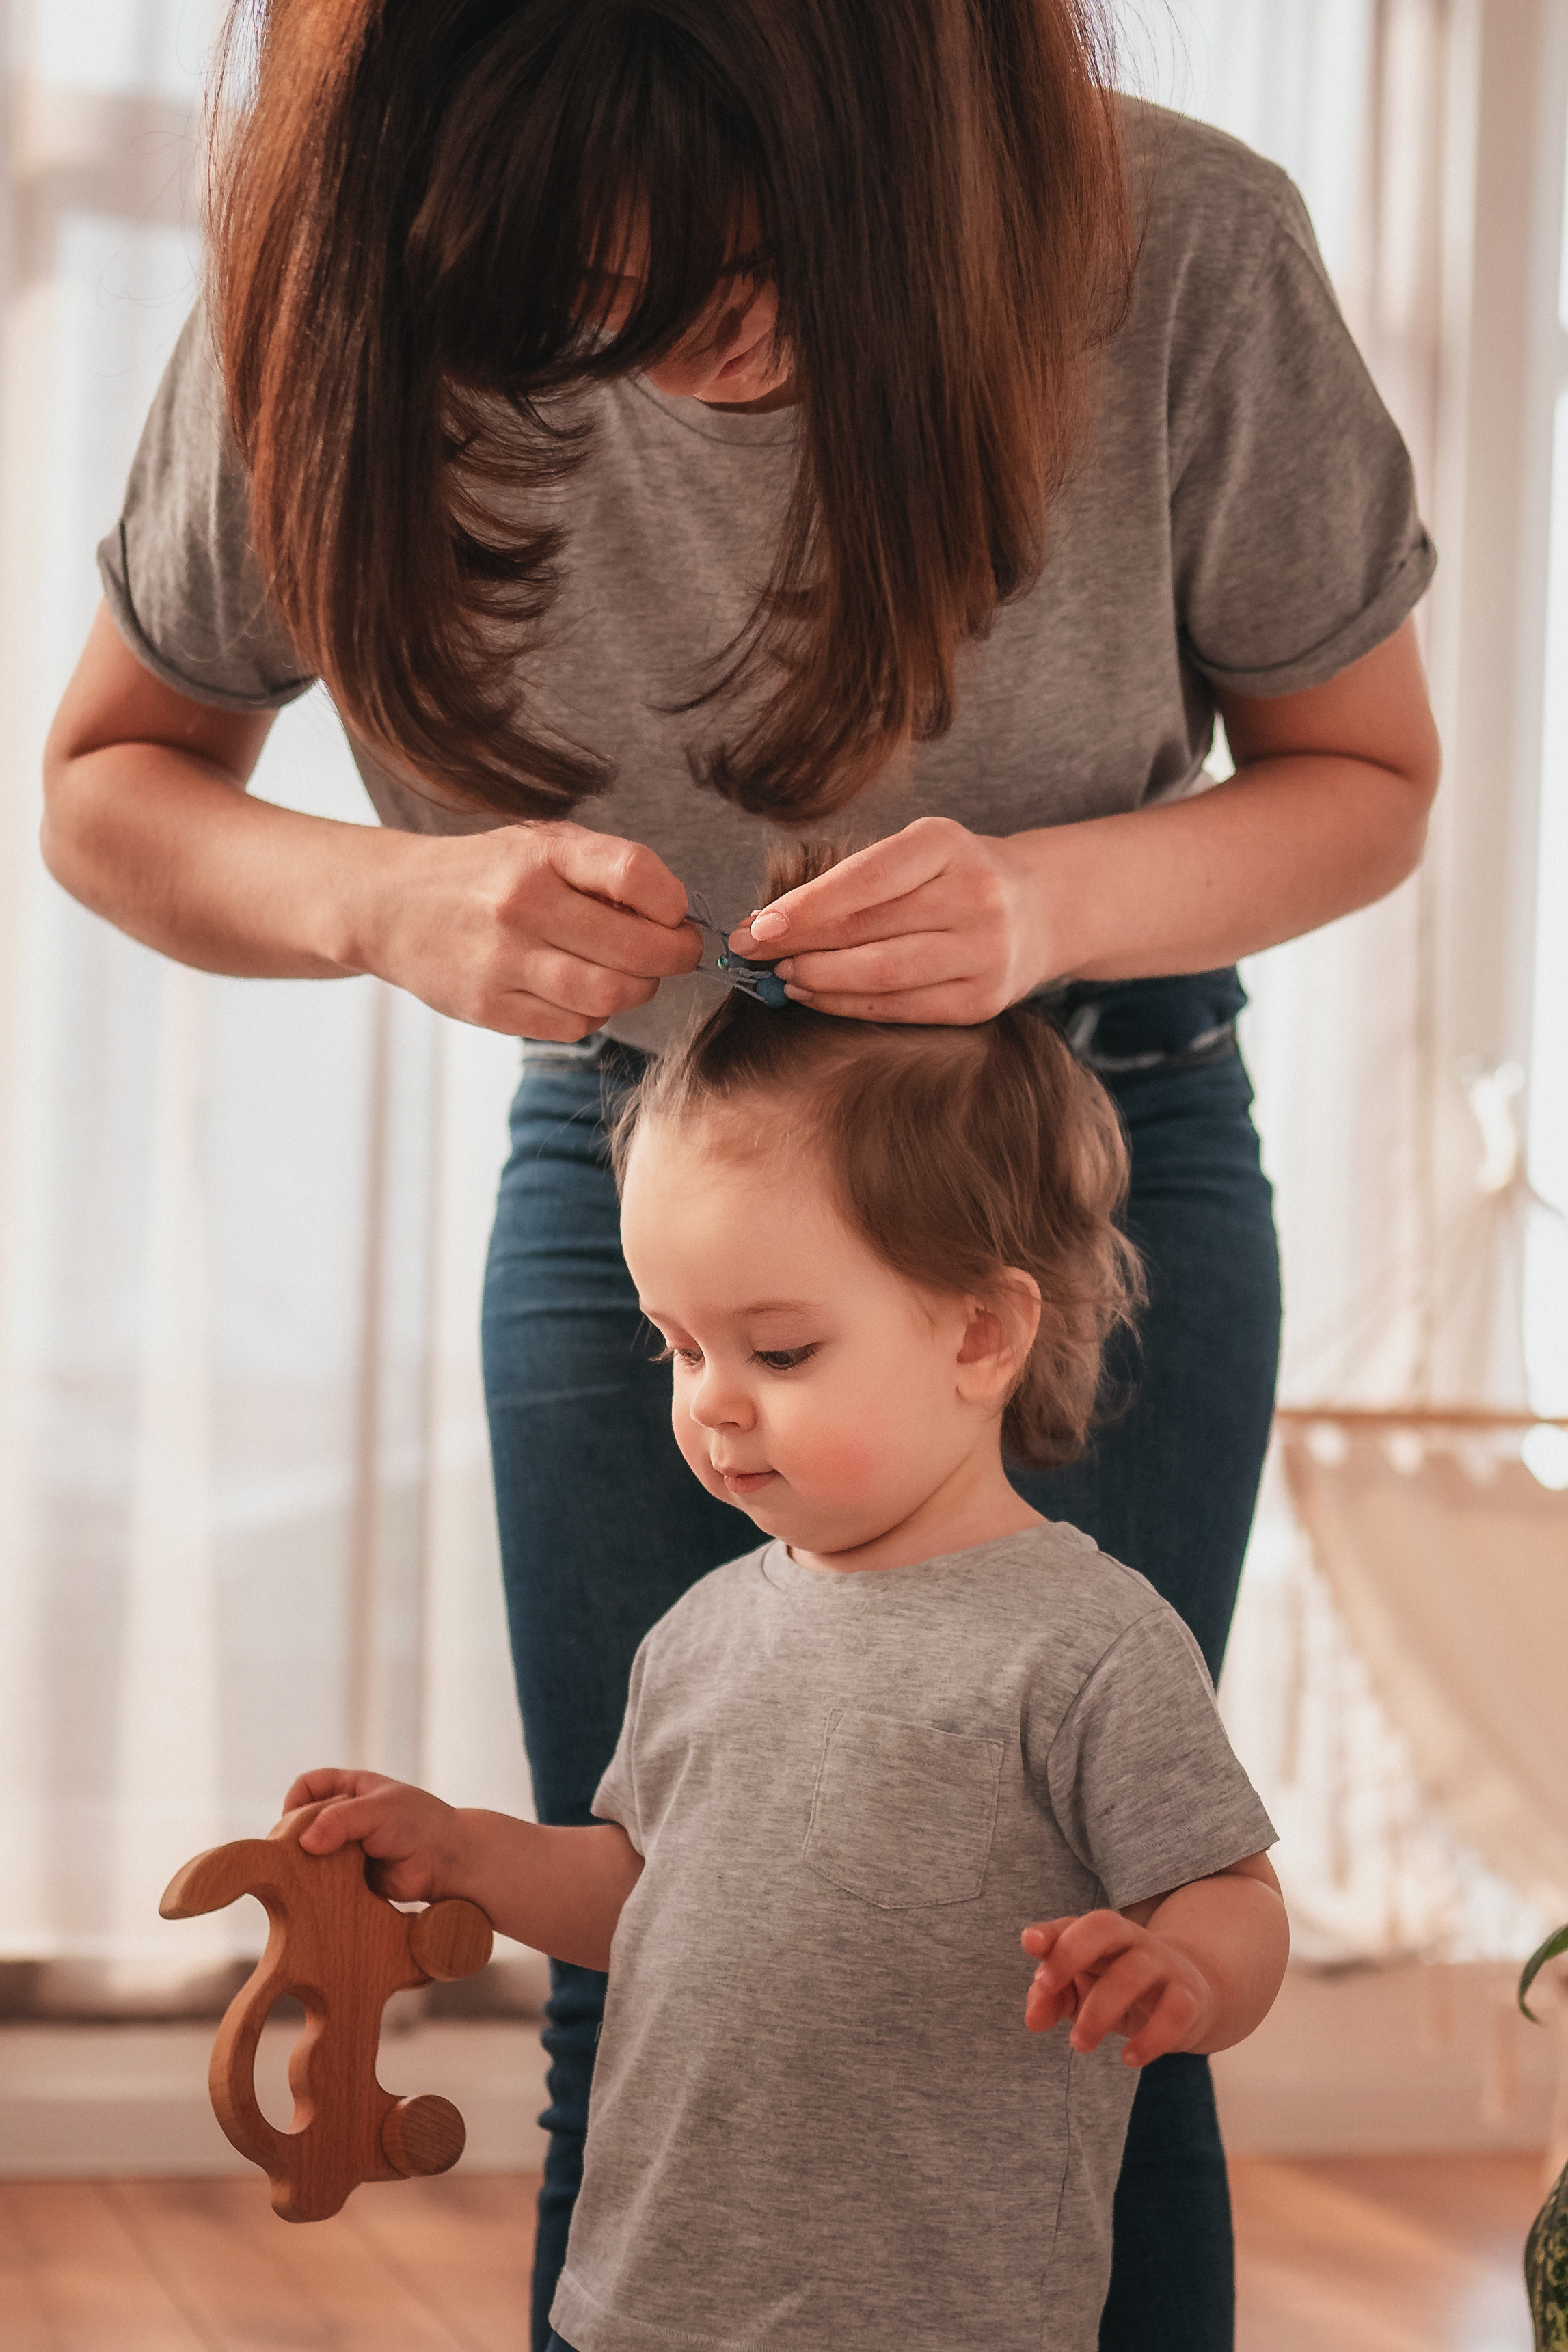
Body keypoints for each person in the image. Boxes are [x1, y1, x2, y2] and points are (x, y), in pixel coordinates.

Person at [38, 3, 1440, 2343]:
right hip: (640, 1153)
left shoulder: (1176, 243)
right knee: (658, 1949)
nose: (666, 375)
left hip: (1076, 1140)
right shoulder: (363, 268)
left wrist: (1046, 905)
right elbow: (110, 779)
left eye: (722, 292)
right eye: (573, 315)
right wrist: (383, 902)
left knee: (1097, 1971)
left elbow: (1368, 777)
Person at [283, 964, 1290, 2352]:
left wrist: (1183, 1966)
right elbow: (638, 1891)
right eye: (679, 1346)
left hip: (944, 2318)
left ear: (979, 1331)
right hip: (650, 2301)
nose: (711, 1404)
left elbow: (1230, 1889)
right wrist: (460, 1847)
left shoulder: (1089, 1642)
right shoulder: (702, 1626)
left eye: (779, 1347)